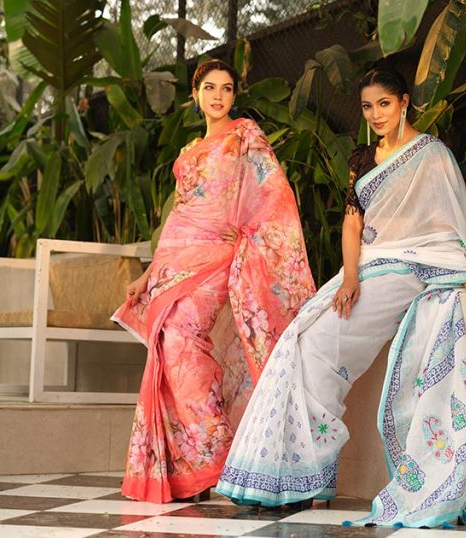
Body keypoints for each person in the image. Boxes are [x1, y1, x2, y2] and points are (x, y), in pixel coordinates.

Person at [215, 66, 466, 528]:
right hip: (364, 268)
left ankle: (303, 476)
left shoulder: (432, 155)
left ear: (404, 102)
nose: (376, 115)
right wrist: (350, 278)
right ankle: (291, 478)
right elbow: (353, 222)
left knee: (320, 348)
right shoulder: (363, 158)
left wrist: (458, 278)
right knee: (300, 344)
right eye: (368, 107)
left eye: (384, 104)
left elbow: (448, 225)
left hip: (410, 270)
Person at [112, 59, 315, 504]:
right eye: (209, 87)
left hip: (219, 256)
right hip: (176, 260)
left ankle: (220, 450)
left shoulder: (244, 136)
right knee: (169, 343)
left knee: (184, 337)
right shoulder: (188, 152)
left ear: (234, 96)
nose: (218, 95)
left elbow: (274, 196)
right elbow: (178, 216)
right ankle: (195, 465)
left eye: (226, 88)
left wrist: (253, 247)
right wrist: (149, 273)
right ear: (195, 94)